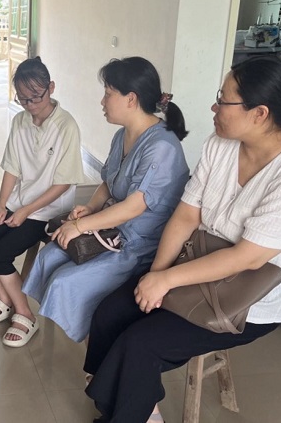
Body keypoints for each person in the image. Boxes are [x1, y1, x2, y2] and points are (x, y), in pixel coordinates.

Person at [84, 55, 281, 423]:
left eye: (223, 100)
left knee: (141, 344)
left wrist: (166, 281)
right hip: (196, 269)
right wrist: (157, 276)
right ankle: (132, 405)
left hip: (247, 298)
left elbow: (248, 258)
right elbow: (185, 215)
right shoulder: (221, 144)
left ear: (259, 114)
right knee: (109, 313)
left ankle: (128, 408)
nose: (214, 107)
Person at [22, 57, 189, 344]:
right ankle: (84, 328)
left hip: (139, 245)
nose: (102, 101)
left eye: (108, 93)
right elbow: (109, 182)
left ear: (131, 99)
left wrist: (81, 226)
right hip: (112, 231)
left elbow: (134, 207)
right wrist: (91, 208)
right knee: (49, 256)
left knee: (65, 280)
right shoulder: (122, 136)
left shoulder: (162, 146)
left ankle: (97, 341)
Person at [0, 57, 85, 347]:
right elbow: (12, 167)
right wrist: (1, 205)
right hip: (18, 202)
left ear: (51, 88)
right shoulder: (20, 121)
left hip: (47, 210)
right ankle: (6, 299)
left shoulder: (66, 126)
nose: (30, 105)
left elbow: (64, 182)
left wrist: (26, 211)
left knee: (0, 255)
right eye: (22, 99)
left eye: (36, 97)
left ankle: (25, 315)